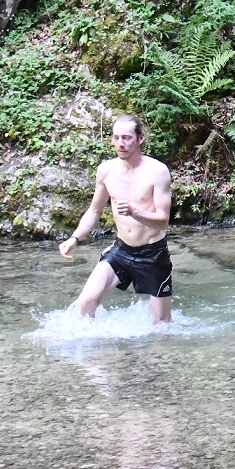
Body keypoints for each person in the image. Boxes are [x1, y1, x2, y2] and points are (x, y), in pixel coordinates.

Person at [59, 114, 174, 323]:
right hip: (122, 250)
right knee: (86, 302)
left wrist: (134, 212)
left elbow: (163, 221)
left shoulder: (157, 172)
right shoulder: (106, 171)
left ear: (140, 138)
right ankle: (91, 343)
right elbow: (94, 210)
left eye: (126, 138)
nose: (120, 144)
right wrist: (75, 238)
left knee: (161, 325)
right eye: (116, 138)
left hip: (153, 253)